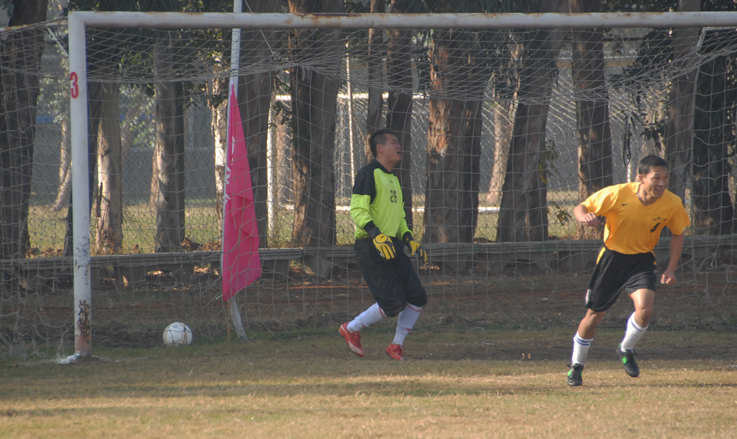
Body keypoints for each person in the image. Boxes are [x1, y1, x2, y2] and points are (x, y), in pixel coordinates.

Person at [567, 155, 690, 386]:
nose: (662, 183)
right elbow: (580, 207)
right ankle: (576, 366)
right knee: (593, 317)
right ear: (641, 178)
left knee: (645, 309)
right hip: (612, 259)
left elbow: (678, 233)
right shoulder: (618, 194)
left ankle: (626, 348)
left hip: (642, 260)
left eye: (665, 178)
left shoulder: (672, 203)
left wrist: (672, 268)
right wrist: (584, 216)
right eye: (656, 178)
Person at [339, 129, 428, 361]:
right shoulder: (368, 174)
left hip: (392, 245)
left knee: (417, 297)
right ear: (379, 148)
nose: (399, 146)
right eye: (394, 142)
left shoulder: (393, 179)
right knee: (393, 303)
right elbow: (358, 210)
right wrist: (375, 234)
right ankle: (351, 328)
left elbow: (399, 217)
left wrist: (408, 238)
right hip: (371, 246)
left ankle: (396, 345)